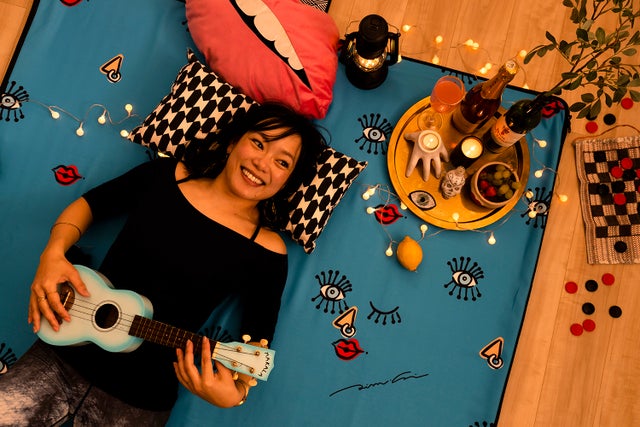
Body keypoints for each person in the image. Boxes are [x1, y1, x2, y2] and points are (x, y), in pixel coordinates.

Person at [0, 102, 327, 426]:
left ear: (288, 181)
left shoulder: (268, 249)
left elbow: (257, 343)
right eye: (258, 143)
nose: (262, 163)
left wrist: (235, 394)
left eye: (282, 162)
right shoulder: (166, 176)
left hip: (141, 399)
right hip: (60, 349)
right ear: (232, 142)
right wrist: (52, 255)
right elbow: (91, 205)